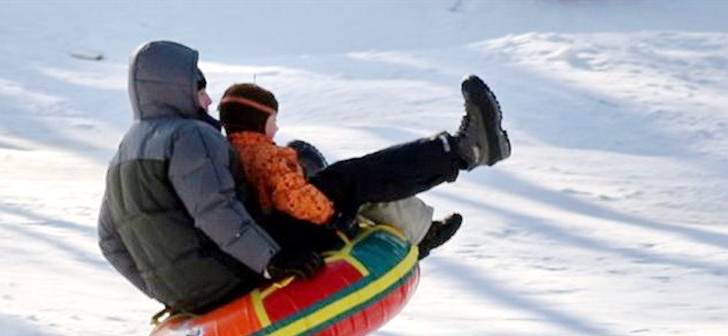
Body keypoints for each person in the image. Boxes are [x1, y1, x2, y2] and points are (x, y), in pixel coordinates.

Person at [98, 40, 510, 315]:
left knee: (310, 173)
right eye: (199, 86)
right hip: (240, 267)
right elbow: (215, 209)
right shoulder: (188, 135)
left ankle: (419, 226)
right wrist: (272, 260)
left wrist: (171, 293)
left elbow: (111, 242)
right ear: (172, 88)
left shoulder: (122, 156)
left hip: (194, 293)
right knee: (343, 182)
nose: (206, 98)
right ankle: (466, 149)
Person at [218, 82, 464, 258]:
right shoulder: (267, 156)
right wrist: (332, 218)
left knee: (348, 181)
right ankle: (424, 231)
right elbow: (291, 196)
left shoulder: (234, 153)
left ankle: (423, 230)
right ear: (257, 122)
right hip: (299, 230)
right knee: (358, 181)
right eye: (273, 121)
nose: (278, 128)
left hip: (274, 231)